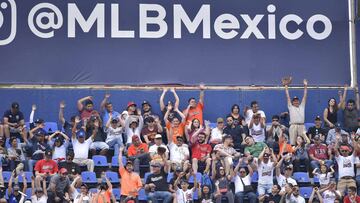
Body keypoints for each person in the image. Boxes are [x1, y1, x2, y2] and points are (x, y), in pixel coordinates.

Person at [283, 77, 308, 145]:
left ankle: (303, 154)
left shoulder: (302, 106)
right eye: (294, 101)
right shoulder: (290, 107)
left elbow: (305, 96)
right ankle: (293, 155)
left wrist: (305, 86)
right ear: (292, 102)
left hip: (302, 126)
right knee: (293, 143)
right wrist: (286, 86)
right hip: (293, 126)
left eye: (297, 100)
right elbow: (287, 96)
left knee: (303, 142)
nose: (296, 102)